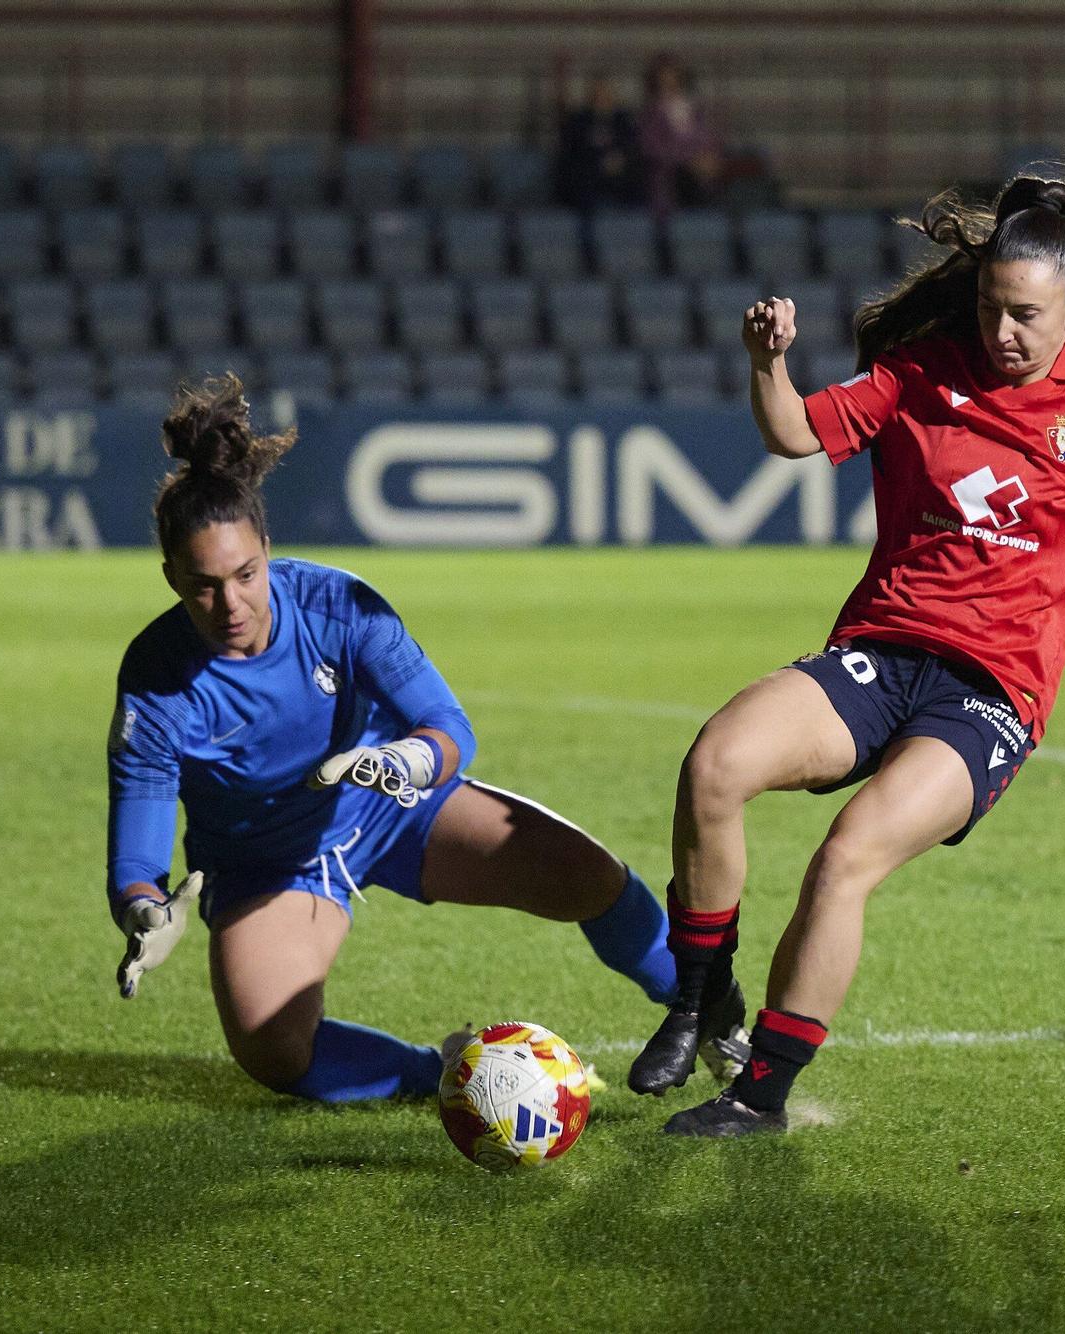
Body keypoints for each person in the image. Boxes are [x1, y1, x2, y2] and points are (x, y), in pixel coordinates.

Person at [627, 176, 1065, 1136]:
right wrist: (768, 364)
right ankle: (699, 1000)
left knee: (846, 858)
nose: (1004, 331)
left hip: (989, 696)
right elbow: (795, 433)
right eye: (990, 308)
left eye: (1026, 315)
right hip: (883, 657)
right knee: (715, 765)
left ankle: (759, 1095)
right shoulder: (923, 371)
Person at [105, 374, 726, 1103]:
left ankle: (717, 1019)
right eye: (204, 584)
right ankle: (450, 1074)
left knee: (588, 875)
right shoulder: (155, 678)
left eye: (246, 574)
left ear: (268, 549)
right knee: (274, 1050)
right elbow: (136, 852)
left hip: (389, 802)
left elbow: (450, 728)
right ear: (171, 576)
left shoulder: (338, 603)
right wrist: (146, 907)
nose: (231, 602)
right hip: (268, 865)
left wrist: (406, 757)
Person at [638, 53, 722, 216]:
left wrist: (708, 157)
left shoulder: (693, 107)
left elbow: (709, 139)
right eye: (664, 77)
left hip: (700, 169)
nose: (669, 81)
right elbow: (651, 148)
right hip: (672, 174)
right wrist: (689, 160)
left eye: (673, 76)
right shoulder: (650, 112)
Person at [555, 75, 642, 210]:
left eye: (605, 94)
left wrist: (619, 160)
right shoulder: (579, 121)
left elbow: (631, 148)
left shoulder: (623, 121)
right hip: (587, 179)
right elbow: (571, 153)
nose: (601, 99)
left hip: (619, 180)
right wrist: (599, 163)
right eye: (597, 94)